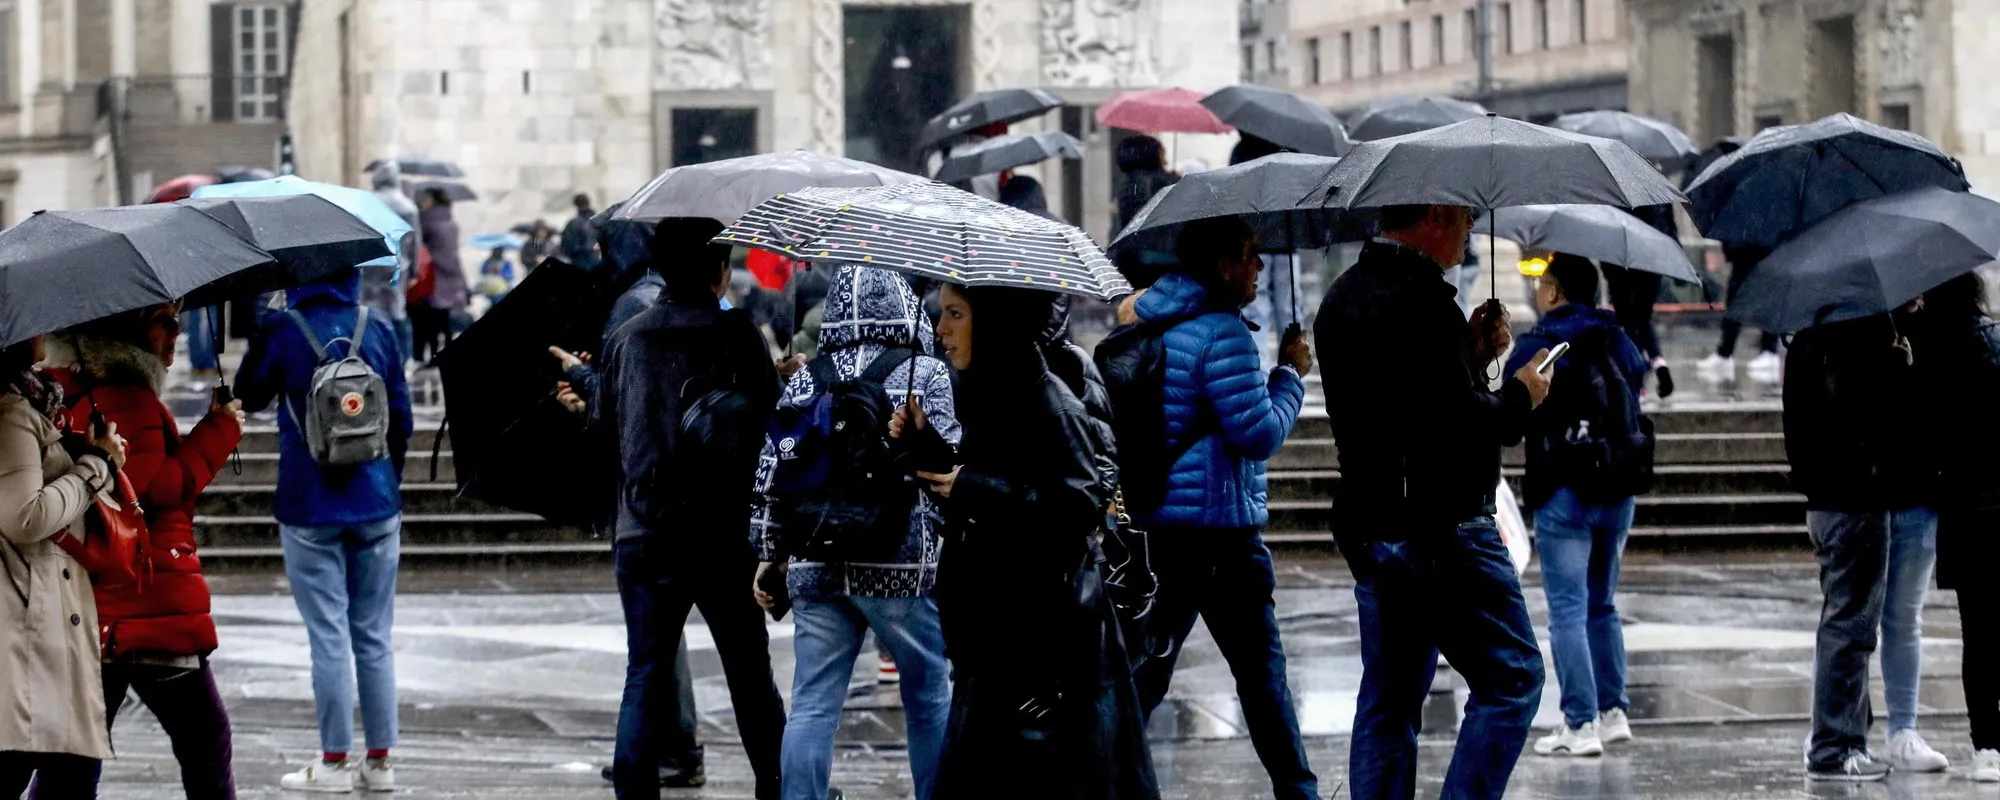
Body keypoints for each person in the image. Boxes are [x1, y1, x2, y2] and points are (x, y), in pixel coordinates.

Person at [1314, 204, 1552, 800]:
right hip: (1441, 527)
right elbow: (1466, 424)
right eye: (1465, 220)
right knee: (1514, 677)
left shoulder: (1342, 298)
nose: (1470, 233)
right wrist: (1522, 393)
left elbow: (1403, 408)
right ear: (1435, 218)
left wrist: (1468, 357)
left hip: (1372, 522)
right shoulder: (1425, 304)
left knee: (1390, 698)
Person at [895, 283, 1157, 799]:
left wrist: (975, 487)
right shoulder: (994, 392)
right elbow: (979, 482)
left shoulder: (1047, 400)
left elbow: (1078, 506)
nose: (940, 329)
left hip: (1043, 651)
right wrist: (919, 446)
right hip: (1000, 639)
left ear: (991, 323)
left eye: (954, 315)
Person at [556, 235, 786, 800]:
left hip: (645, 528)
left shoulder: (627, 338)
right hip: (721, 534)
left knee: (646, 673)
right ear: (718, 271)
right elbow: (775, 419)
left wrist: (581, 379)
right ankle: (780, 786)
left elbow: (608, 419)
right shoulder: (736, 333)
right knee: (750, 674)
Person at [1122, 216, 1318, 800]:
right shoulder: (1223, 334)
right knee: (1263, 682)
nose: (1258, 268)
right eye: (1250, 255)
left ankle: (1096, 778)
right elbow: (1257, 435)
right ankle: (1298, 792)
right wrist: (1290, 374)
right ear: (1223, 264)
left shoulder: (1155, 323)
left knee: (1146, 675)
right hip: (1222, 536)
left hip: (1164, 530)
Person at [750, 265, 955, 800]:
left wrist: (770, 555)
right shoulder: (924, 374)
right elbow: (945, 467)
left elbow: (773, 474)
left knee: (814, 701)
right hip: (897, 561)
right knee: (928, 691)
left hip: (815, 557)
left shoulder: (806, 376)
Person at [44, 307, 243, 799]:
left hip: (92, 607)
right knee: (205, 743)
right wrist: (218, 432)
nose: (176, 332)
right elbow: (154, 492)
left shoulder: (67, 391)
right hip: (147, 600)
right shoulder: (126, 398)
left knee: (73, 757)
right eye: (163, 320)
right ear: (127, 329)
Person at [235, 268, 414, 792]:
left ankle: (333, 762)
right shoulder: (376, 324)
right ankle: (380, 763)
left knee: (329, 637)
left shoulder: (284, 327)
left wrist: (260, 326)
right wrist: (388, 480)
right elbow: (398, 413)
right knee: (374, 636)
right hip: (376, 501)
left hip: (308, 503)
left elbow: (248, 395)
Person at [1783, 307, 1940, 781]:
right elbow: (1875, 418)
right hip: (1857, 498)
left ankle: (1846, 736)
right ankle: (1835, 747)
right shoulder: (1865, 342)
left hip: (1826, 498)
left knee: (1846, 624)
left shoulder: (1807, 340)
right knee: (1850, 629)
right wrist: (1898, 363)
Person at [1503, 256, 1648, 759]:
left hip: (1563, 487)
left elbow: (1511, 413)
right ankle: (1613, 712)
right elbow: (1638, 382)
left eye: (1543, 282)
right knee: (1602, 603)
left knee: (1567, 608)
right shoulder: (1616, 337)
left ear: (1555, 291)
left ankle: (1578, 722)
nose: (1539, 289)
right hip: (1616, 486)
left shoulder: (1540, 343)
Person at [0, 336, 121, 797]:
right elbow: (24, 516)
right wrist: (96, 466)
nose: (45, 334)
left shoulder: (32, 403)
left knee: (65, 765)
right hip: (26, 616)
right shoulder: (12, 412)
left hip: (43, 616)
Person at [1915, 272, 2000, 783]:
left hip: (1964, 510)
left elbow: (1928, 441)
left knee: (1979, 631)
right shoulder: (1996, 341)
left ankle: (1986, 744)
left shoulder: (1928, 356)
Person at [1600, 204, 1678, 398]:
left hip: (1621, 261)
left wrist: (1607, 267)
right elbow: (1668, 226)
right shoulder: (1654, 186)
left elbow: (1607, 227)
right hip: (1652, 259)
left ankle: (1637, 380)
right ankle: (1658, 361)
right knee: (1642, 318)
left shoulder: (1614, 187)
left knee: (1627, 320)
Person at [1700, 246, 1784, 389]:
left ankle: (1767, 350)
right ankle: (1727, 353)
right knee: (1738, 304)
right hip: (1751, 255)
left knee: (1756, 303)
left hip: (1754, 254)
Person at [368, 161, 422, 368]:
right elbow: (414, 241)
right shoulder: (407, 206)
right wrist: (414, 270)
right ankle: (401, 359)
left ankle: (374, 355)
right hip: (398, 265)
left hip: (371, 264)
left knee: (370, 310)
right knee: (397, 312)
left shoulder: (367, 202)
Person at [414, 187, 469, 364]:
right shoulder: (451, 222)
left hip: (434, 274)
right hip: (451, 272)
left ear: (433, 200)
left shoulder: (427, 221)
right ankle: (447, 352)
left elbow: (420, 244)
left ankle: (432, 355)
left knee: (430, 318)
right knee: (444, 318)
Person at [561, 193, 603, 271]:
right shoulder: (600, 220)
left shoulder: (572, 224)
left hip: (581, 263)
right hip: (599, 262)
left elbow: (566, 248)